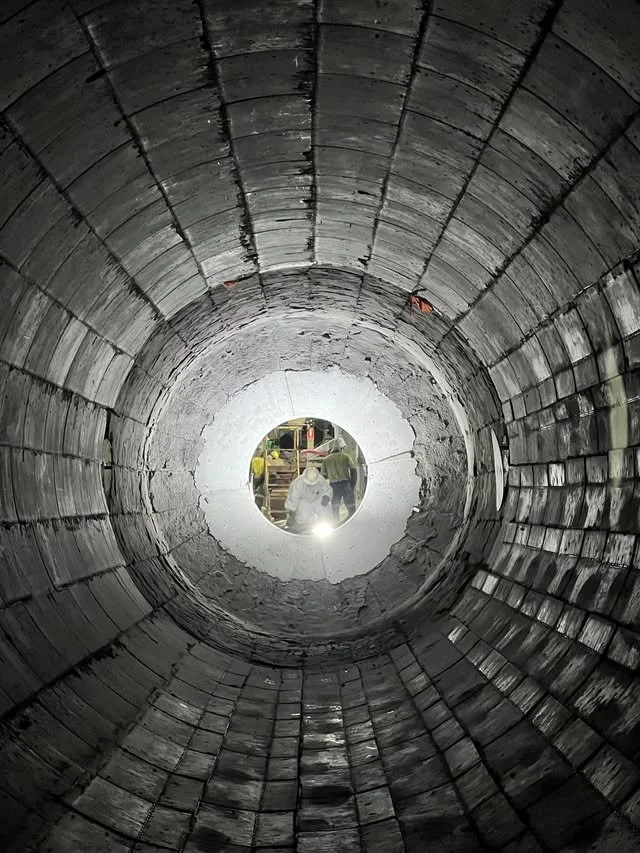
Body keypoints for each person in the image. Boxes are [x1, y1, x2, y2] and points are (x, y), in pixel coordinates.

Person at [284, 466, 332, 533]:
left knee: (325, 509)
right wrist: (291, 516)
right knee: (303, 517)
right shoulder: (298, 483)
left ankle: (325, 524)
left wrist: (326, 496)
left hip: (317, 499)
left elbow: (328, 490)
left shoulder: (321, 480)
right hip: (304, 501)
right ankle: (302, 526)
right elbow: (293, 499)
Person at [321, 438, 357, 523]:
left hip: (333, 486)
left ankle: (336, 526)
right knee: (351, 509)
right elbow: (353, 471)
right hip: (346, 485)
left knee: (335, 508)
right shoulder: (345, 456)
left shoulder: (326, 460)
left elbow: (323, 477)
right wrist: (352, 485)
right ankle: (352, 525)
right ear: (341, 447)